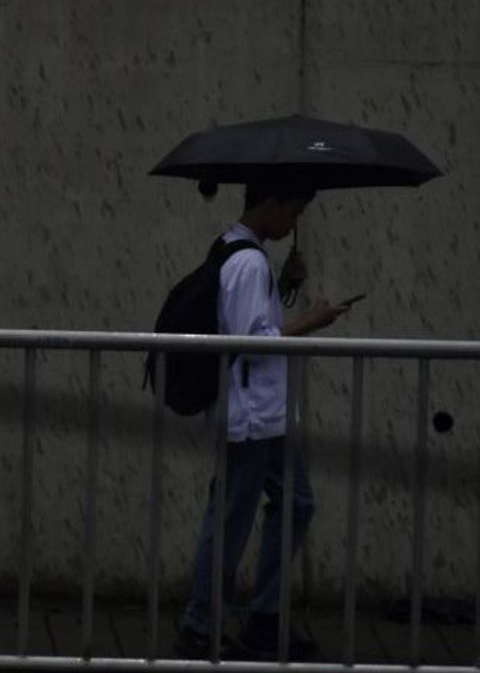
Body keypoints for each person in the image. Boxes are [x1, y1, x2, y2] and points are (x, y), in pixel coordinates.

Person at [173, 181, 349, 661]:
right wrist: (312, 319)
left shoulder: (233, 248)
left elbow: (251, 322)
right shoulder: (249, 262)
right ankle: (201, 626)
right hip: (251, 413)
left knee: (295, 503)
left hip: (263, 413)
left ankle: (264, 620)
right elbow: (256, 339)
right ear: (271, 205)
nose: (294, 223)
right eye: (293, 211)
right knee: (232, 517)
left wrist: (285, 289)